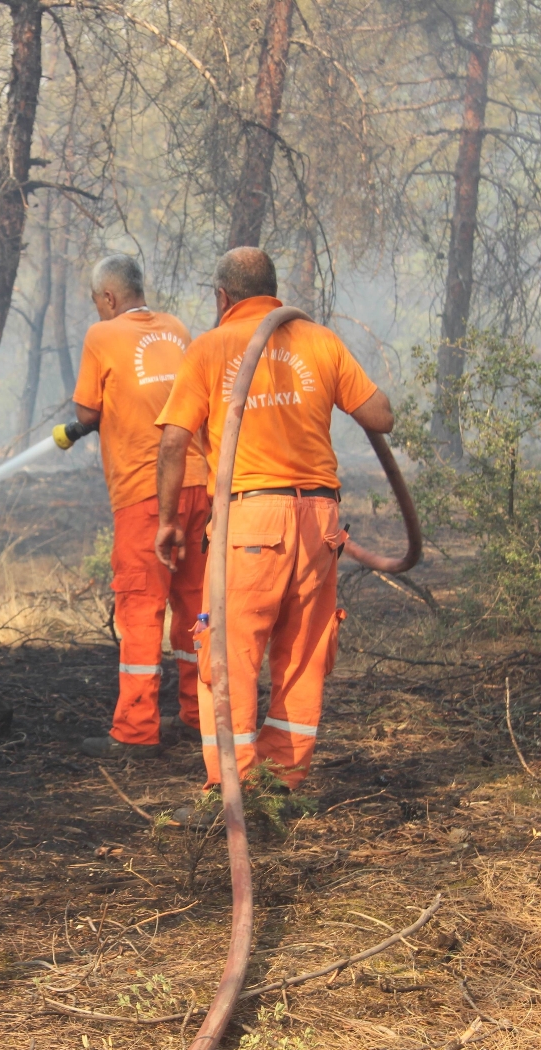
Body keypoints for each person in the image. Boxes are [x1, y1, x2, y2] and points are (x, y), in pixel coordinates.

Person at [153, 247, 394, 791]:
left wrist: (168, 521)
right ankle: (284, 784)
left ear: (222, 297)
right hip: (320, 522)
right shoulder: (320, 341)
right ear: (273, 291)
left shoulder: (211, 347)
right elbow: (381, 415)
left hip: (251, 522)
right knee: (304, 654)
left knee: (229, 653)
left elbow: (172, 442)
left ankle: (235, 791)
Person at [72, 254, 212, 759]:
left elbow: (87, 410)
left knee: (141, 609)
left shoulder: (101, 335)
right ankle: (200, 717)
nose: (98, 308)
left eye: (97, 301)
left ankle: (136, 731)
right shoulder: (176, 329)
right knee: (196, 606)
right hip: (198, 485)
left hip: (146, 492)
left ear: (109, 297)